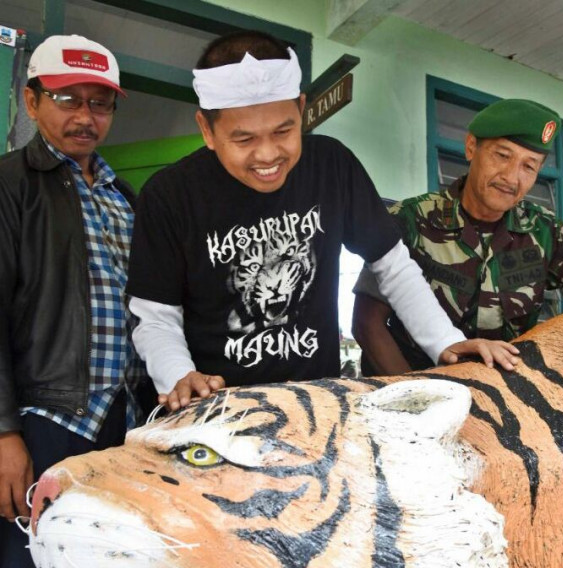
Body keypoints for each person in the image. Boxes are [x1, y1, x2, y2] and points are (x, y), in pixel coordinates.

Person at [127, 30, 506, 412]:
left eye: (284, 131)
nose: (268, 155)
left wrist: (445, 341)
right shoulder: (170, 195)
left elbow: (392, 266)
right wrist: (179, 375)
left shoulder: (332, 165)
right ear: (207, 130)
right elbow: (156, 317)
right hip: (217, 410)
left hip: (317, 404)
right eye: (243, 140)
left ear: (302, 109)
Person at [0, 34, 142, 568]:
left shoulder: (126, 199)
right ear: (31, 101)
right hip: (43, 422)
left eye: (97, 103)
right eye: (66, 99)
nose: (83, 115)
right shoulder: (9, 186)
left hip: (118, 433)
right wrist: (3, 433)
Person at [352, 98, 563, 375]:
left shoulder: (544, 233)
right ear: (472, 147)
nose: (512, 177)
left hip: (503, 403)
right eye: (502, 156)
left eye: (529, 166)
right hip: (408, 384)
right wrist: (413, 394)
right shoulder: (410, 220)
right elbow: (367, 324)